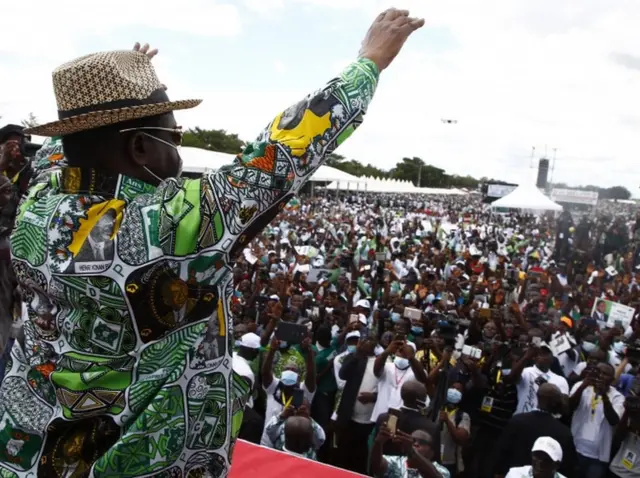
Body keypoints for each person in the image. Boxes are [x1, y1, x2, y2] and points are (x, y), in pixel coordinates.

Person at [2, 11, 425, 474]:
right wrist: (368, 63)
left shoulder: (39, 199)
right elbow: (279, 155)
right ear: (139, 148)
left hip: (39, 449)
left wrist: (119, 91)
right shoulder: (161, 227)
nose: (178, 152)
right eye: (173, 135)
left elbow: (76, 146)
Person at [494, 383, 576, 478]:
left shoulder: (516, 421)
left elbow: (500, 454)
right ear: (555, 402)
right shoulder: (563, 432)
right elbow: (568, 467)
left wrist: (498, 473)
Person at [570, 362, 625, 478]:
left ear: (612, 379)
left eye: (605, 374)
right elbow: (569, 408)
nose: (600, 376)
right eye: (598, 372)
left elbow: (614, 420)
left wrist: (604, 396)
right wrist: (583, 386)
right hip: (575, 449)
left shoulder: (617, 397)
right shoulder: (581, 386)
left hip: (598, 457)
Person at [373, 380, 440, 459]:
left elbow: (377, 448)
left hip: (384, 467)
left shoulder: (383, 418)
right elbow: (434, 459)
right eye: (425, 396)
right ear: (422, 401)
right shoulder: (431, 427)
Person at [509, 343, 569, 415]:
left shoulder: (560, 380)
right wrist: (526, 357)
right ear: (534, 358)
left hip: (545, 423)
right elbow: (511, 379)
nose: (541, 356)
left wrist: (549, 390)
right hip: (521, 420)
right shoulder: (525, 372)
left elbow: (564, 408)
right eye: (538, 353)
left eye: (545, 353)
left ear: (552, 359)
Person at [370, 426, 451, 478]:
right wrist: (378, 443)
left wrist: (412, 452)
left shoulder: (441, 470)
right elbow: (377, 467)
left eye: (422, 442)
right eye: (413, 440)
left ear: (432, 452)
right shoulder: (396, 461)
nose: (415, 444)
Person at [438, 381, 470, 477]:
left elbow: (460, 439)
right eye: (452, 387)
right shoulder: (437, 410)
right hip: (434, 459)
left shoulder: (463, 416)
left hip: (450, 462)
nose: (454, 391)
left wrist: (447, 421)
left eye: (458, 389)